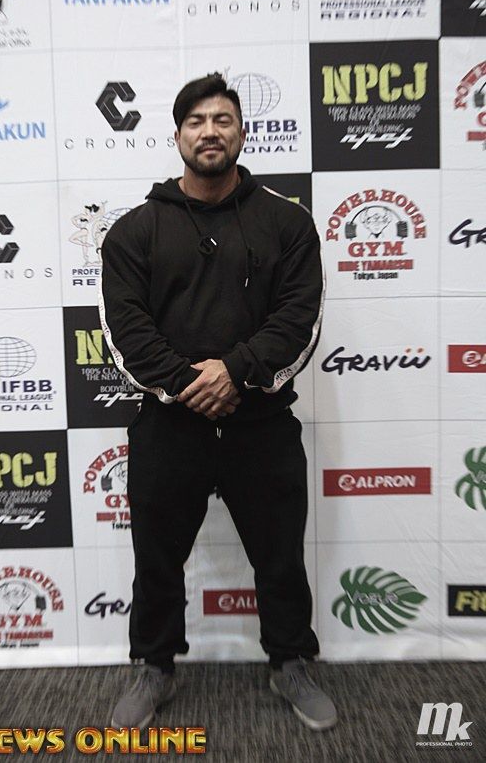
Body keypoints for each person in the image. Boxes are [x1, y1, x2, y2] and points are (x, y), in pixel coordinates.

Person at [99, 73, 336, 732]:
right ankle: (154, 666)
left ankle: (290, 661)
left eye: (223, 120)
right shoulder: (133, 231)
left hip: (261, 424)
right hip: (168, 426)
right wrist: (187, 384)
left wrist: (233, 372)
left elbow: (300, 320)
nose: (210, 131)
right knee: (156, 560)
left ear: (241, 132)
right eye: (197, 121)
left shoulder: (287, 223)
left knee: (280, 555)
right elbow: (125, 332)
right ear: (177, 135)